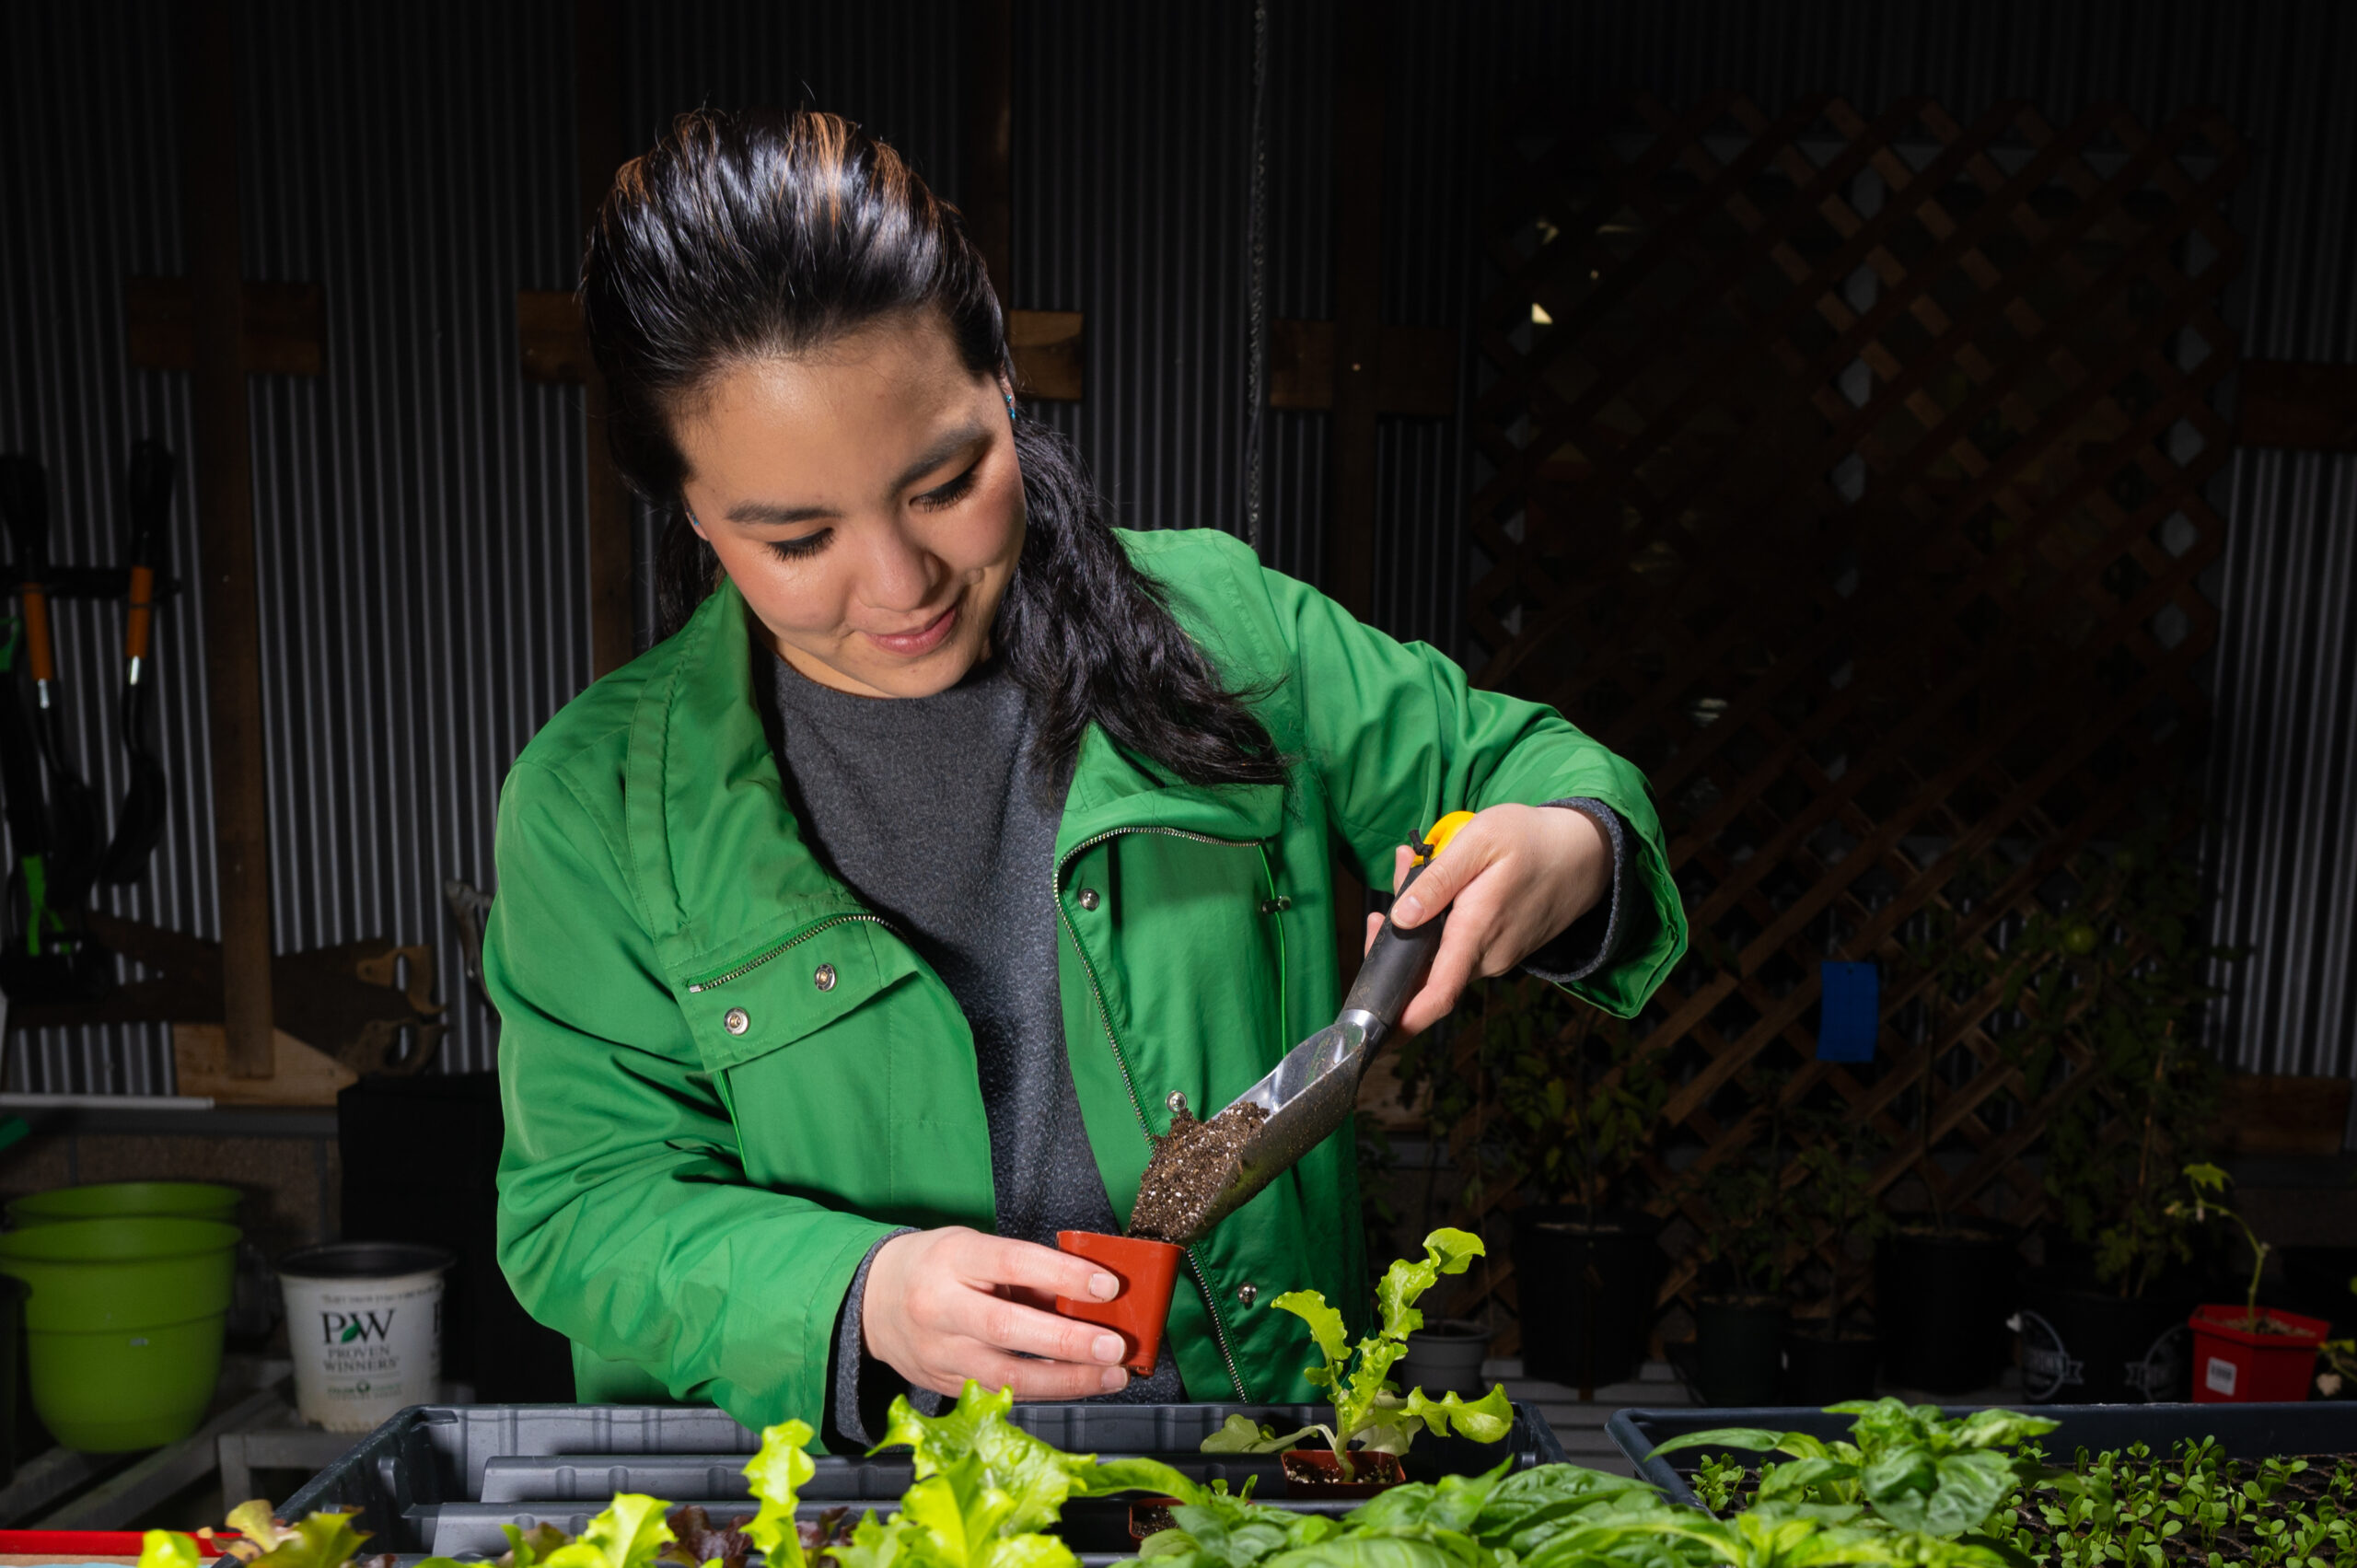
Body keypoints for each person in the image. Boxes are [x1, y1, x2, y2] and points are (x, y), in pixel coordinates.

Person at [489, 107, 1686, 1450]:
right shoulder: (595, 804)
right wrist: (862, 1295)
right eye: (797, 537)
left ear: (1004, 382)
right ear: (694, 511)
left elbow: (1534, 766)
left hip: (1248, 1487)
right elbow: (584, 1208)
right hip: (865, 1509)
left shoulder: (1231, 637)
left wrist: (1564, 841)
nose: (898, 586)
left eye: (946, 483)